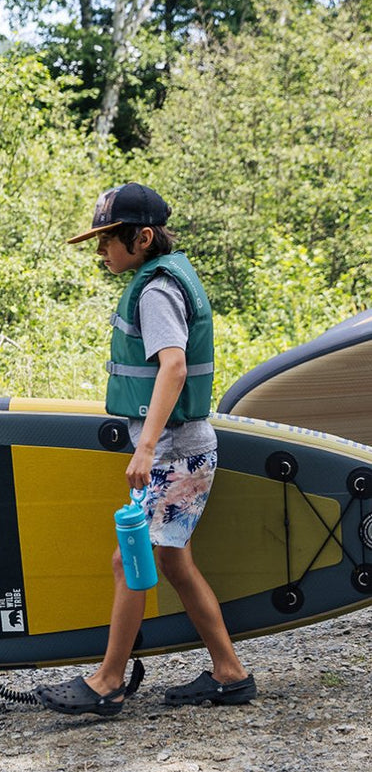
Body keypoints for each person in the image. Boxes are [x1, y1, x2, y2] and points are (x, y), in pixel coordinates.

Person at [36, 183, 256, 717]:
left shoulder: (156, 290)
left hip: (176, 452)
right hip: (183, 449)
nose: (101, 251)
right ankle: (230, 673)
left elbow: (173, 367)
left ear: (143, 237)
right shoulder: (167, 276)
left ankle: (108, 682)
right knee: (174, 564)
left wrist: (148, 447)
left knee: (125, 559)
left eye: (109, 239)